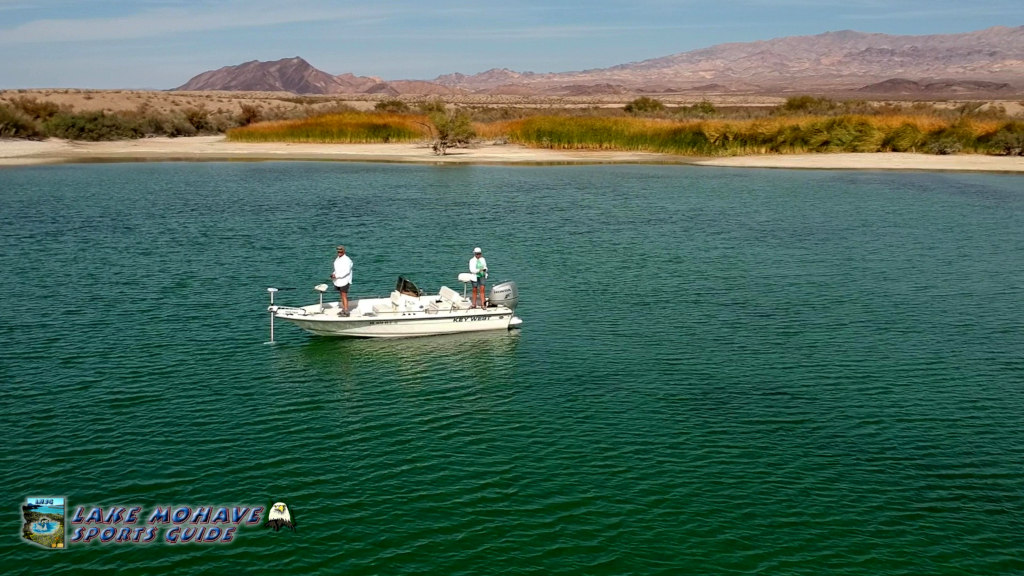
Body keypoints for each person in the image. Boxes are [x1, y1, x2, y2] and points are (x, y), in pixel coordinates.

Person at [331, 245, 353, 316]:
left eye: (340, 251)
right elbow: (337, 269)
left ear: (344, 251)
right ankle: (344, 309)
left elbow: (347, 271)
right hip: (338, 281)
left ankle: (346, 311)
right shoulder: (337, 259)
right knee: (341, 295)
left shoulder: (347, 260)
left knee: (344, 295)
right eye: (338, 251)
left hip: (344, 280)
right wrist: (334, 274)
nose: (339, 253)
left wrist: (337, 275)